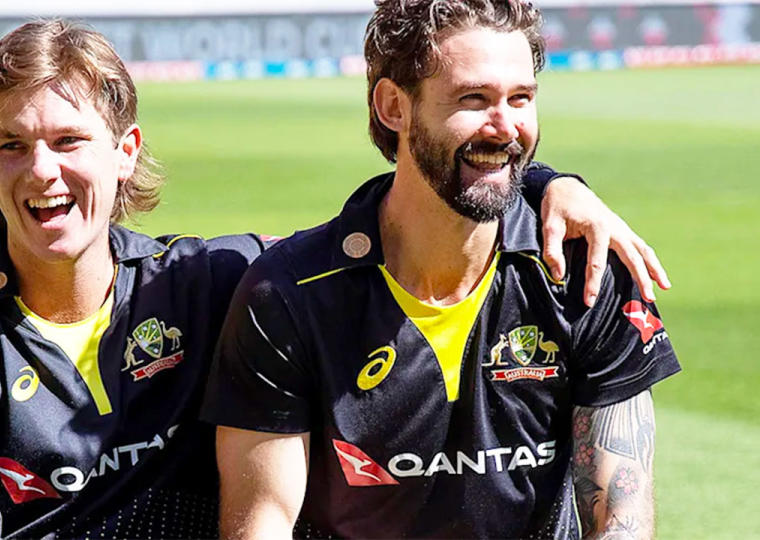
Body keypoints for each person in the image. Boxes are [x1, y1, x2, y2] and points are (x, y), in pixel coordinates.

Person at [0, 18, 669, 540]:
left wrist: (546, 184)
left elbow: (416, 218)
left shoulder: (212, 279)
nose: (41, 171)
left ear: (124, 153)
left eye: (68, 140)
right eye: (12, 145)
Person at [204, 1, 680, 538]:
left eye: (521, 98)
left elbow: (619, 516)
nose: (505, 129)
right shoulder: (289, 294)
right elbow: (262, 519)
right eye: (473, 99)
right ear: (393, 107)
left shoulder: (589, 272)